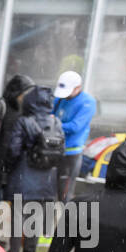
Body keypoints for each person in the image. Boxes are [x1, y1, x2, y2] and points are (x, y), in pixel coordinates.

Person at [3, 85, 62, 252]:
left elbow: (13, 149)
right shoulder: (56, 123)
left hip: (24, 176)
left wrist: (10, 167)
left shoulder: (24, 121)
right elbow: (62, 151)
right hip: (46, 180)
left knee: (17, 219)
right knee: (35, 220)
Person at [0, 73, 35, 238]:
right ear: (16, 91)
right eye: (24, 93)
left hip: (8, 165)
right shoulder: (0, 106)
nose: (25, 97)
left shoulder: (19, 109)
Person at [52, 70, 97, 201]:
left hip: (71, 153)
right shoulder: (60, 98)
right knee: (50, 189)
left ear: (78, 87)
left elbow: (75, 126)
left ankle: (64, 218)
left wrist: (54, 123)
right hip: (54, 149)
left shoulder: (87, 102)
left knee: (64, 191)